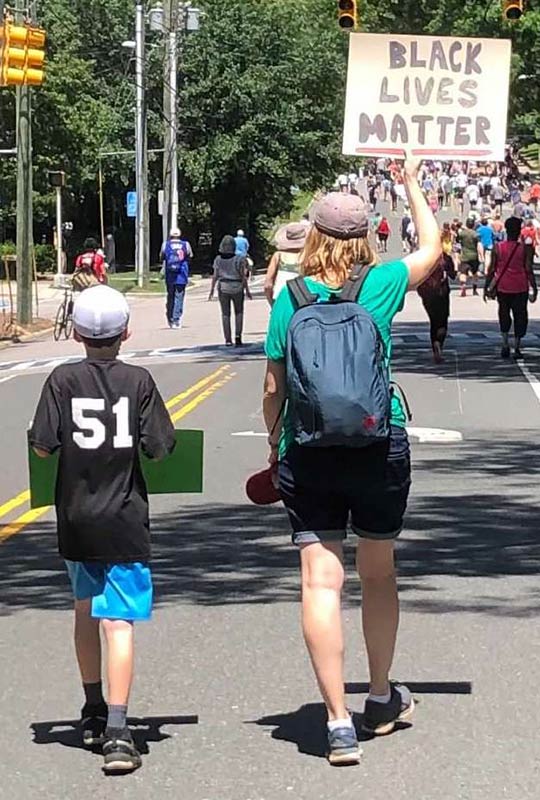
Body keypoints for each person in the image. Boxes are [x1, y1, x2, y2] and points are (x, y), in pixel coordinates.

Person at [262, 157, 441, 767]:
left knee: (320, 581)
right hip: (377, 442)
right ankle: (381, 695)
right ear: (366, 235)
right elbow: (434, 248)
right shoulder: (384, 283)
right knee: (379, 572)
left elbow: (273, 388)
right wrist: (413, 183)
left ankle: (337, 722)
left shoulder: (290, 298)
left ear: (311, 233)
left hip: (307, 452)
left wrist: (273, 442)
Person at [29, 285, 176, 774]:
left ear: (75, 333)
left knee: (84, 611)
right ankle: (117, 728)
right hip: (125, 518)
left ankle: (91, 707)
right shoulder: (140, 381)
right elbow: (160, 447)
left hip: (75, 517)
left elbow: (44, 446)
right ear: (127, 332)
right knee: (119, 623)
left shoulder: (60, 380)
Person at [486, 216, 537, 359]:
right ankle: (517, 346)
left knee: (504, 313)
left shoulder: (498, 247)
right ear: (519, 230)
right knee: (520, 316)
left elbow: (492, 269)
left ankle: (504, 343)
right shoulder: (524, 249)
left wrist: (487, 286)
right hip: (520, 287)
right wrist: (534, 287)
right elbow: (528, 268)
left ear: (506, 230)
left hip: (503, 287)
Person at [208, 235, 251, 346]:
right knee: (239, 312)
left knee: (225, 314)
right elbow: (243, 276)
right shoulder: (239, 259)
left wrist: (212, 290)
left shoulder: (218, 259)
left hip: (223, 286)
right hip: (237, 286)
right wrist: (247, 290)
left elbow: (215, 275)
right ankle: (238, 336)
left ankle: (227, 339)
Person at [418, 252, 456, 364]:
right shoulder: (445, 258)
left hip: (427, 294)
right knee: (443, 321)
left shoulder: (423, 258)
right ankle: (439, 345)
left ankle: (435, 347)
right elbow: (453, 275)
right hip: (442, 293)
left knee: (433, 321)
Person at [264, 222, 308, 305]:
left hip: (281, 298)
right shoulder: (309, 256)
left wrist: (271, 303)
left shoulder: (278, 256)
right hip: (304, 298)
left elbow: (268, 285)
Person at [161, 227, 193, 329]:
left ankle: (170, 317)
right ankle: (176, 319)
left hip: (170, 274)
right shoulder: (185, 244)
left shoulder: (166, 244)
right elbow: (190, 256)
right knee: (179, 296)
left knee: (170, 295)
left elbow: (162, 256)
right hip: (181, 274)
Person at [457, 218, 481, 297]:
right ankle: (474, 289)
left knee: (463, 272)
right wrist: (481, 255)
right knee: (475, 273)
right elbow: (479, 245)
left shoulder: (462, 233)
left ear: (466, 224)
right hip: (474, 256)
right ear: (473, 225)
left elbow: (457, 240)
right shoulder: (475, 234)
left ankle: (463, 285)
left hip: (464, 256)